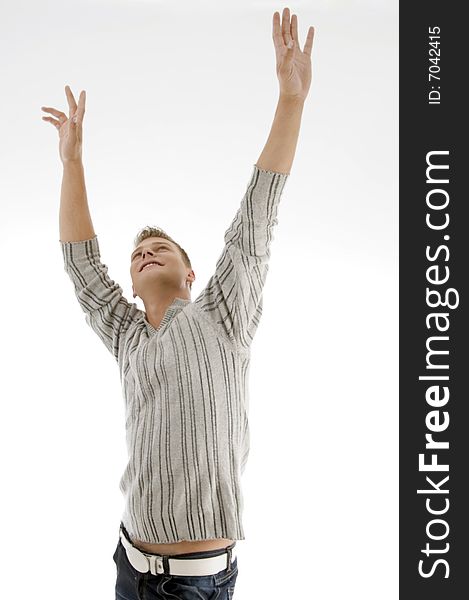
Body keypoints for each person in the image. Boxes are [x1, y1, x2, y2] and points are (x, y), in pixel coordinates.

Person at [42, 7, 314, 599]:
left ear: (189, 273)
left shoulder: (224, 314)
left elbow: (256, 218)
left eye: (159, 247)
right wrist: (72, 162)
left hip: (206, 582)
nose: (145, 254)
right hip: (133, 568)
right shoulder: (127, 336)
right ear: (131, 284)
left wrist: (290, 100)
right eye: (137, 254)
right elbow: (81, 264)